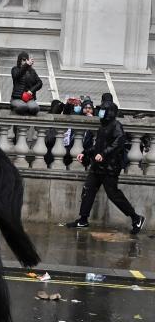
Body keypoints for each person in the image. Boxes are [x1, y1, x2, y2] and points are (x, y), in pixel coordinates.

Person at [65, 99, 144, 234]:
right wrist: (85, 153)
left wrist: (103, 154)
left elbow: (118, 143)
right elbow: (98, 146)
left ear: (110, 112)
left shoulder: (116, 126)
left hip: (110, 168)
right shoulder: (103, 126)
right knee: (88, 190)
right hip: (98, 166)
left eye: (103, 109)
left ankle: (136, 218)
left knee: (113, 194)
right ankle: (83, 220)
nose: (100, 111)